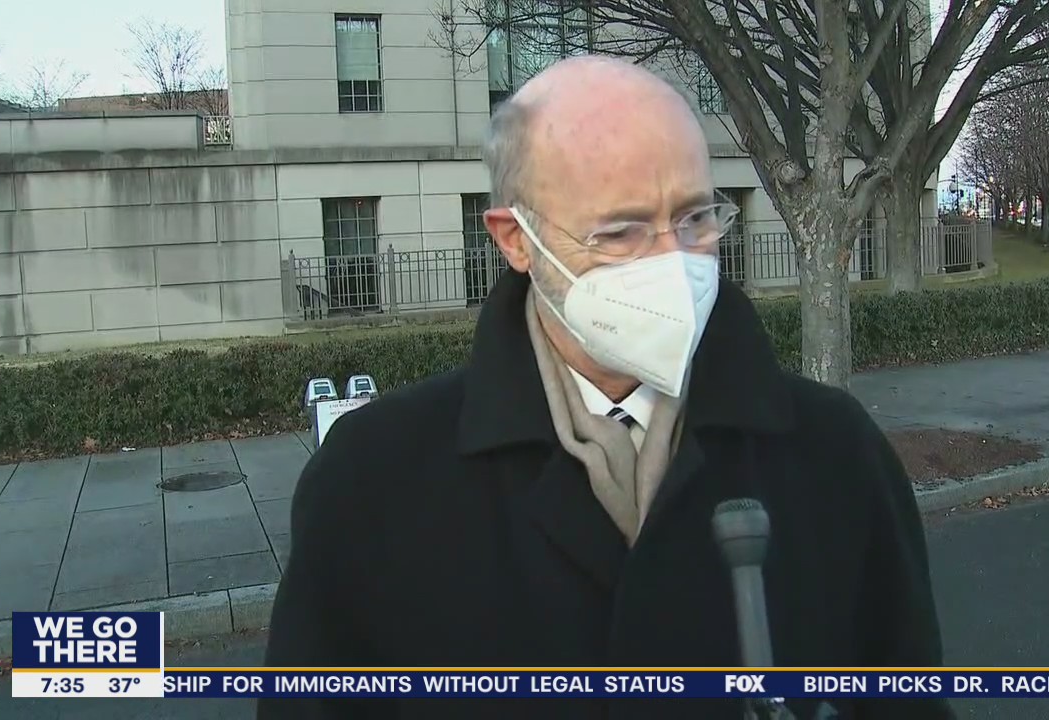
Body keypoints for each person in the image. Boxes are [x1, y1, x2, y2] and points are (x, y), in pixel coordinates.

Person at [259, 55, 954, 720]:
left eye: (694, 218)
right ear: (515, 240)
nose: (673, 264)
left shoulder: (836, 453)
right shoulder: (372, 481)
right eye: (620, 232)